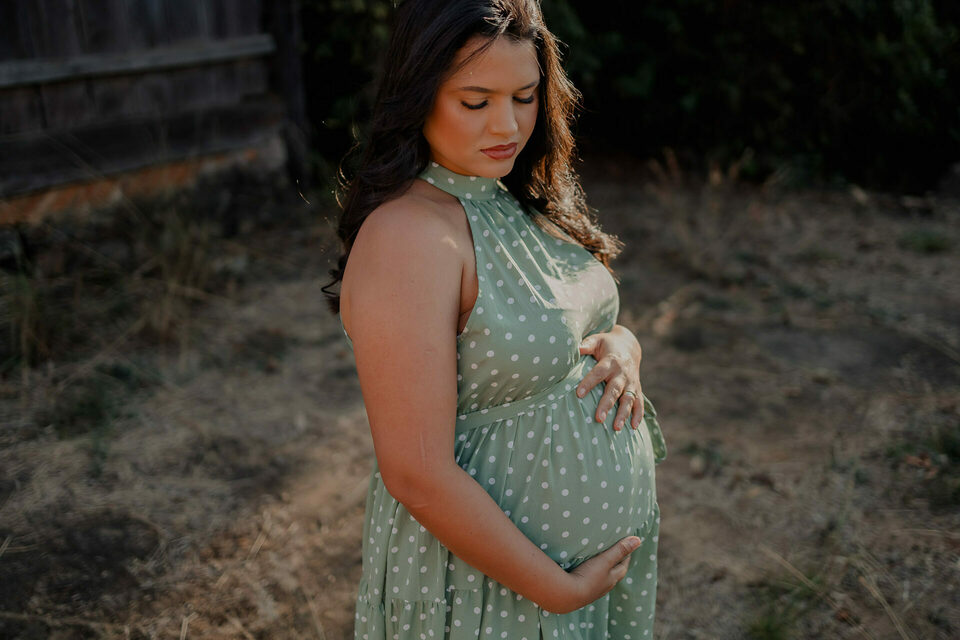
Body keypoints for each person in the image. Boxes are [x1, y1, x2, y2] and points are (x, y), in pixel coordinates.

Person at [322, 0, 668, 637]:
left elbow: (566, 327)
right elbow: (416, 472)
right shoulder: (409, 237)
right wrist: (557, 590)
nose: (507, 125)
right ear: (418, 95)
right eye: (475, 102)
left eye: (526, 96)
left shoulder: (512, 195)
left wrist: (624, 346)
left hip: (577, 582)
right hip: (497, 591)